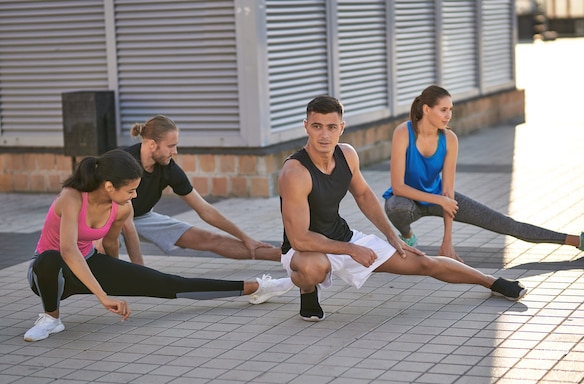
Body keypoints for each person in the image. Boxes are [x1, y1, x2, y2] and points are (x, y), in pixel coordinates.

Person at [278, 95, 527, 322]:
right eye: (316, 126)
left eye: (331, 127)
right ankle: (307, 291)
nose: (324, 135)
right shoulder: (295, 172)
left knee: (424, 263)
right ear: (306, 126)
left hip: (342, 238)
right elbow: (300, 238)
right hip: (304, 251)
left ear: (341, 128)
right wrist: (351, 249)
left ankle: (492, 282)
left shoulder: (347, 155)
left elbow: (364, 194)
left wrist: (390, 235)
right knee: (314, 269)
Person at [24, 149, 293, 342]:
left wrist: (132, 275)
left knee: (168, 282)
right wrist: (103, 296)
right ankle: (51, 319)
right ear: (108, 186)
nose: (135, 195)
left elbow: (109, 244)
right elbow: (69, 250)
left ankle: (257, 286)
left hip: (88, 262)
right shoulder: (72, 197)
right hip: (48, 275)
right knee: (50, 259)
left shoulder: (121, 207)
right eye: (130, 190)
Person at [383, 85, 584, 262]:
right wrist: (439, 199)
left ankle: (579, 241)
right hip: (408, 200)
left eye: (451, 110)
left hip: (440, 197)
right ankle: (408, 235)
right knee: (395, 206)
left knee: (505, 223)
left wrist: (447, 241)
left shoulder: (449, 139)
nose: (448, 115)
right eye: (443, 110)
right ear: (426, 109)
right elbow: (399, 186)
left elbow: (448, 190)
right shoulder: (404, 133)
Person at [121, 115, 281, 262]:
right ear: (151, 144)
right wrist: (141, 273)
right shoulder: (122, 161)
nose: (175, 152)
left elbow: (205, 210)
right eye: (170, 146)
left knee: (209, 238)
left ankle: (279, 255)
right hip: (110, 217)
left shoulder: (169, 169)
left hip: (143, 217)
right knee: (109, 244)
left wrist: (245, 237)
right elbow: (116, 217)